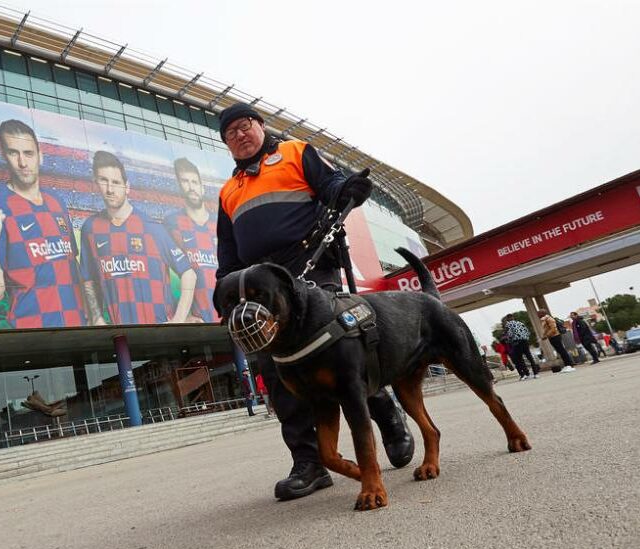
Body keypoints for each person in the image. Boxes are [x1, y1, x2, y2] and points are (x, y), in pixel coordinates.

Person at [215, 102, 414, 501]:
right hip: (265, 291)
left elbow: (332, 187)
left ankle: (388, 417)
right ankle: (309, 463)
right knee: (276, 371)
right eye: (230, 132)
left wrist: (349, 190)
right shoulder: (228, 192)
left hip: (312, 271)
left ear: (261, 126)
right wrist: (224, 290)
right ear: (227, 144)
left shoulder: (294, 152)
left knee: (344, 356)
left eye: (245, 125)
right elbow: (229, 253)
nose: (239, 134)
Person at [0, 120, 87, 328]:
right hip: (31, 330)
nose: (22, 162)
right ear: (3, 155)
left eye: (28, 153)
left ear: (40, 155)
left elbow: (75, 267)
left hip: (77, 324)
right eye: (13, 153)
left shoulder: (57, 202)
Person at [79, 151, 197, 325]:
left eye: (116, 182)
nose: (110, 189)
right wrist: (96, 317)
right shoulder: (90, 228)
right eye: (104, 181)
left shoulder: (151, 227)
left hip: (158, 332)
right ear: (96, 183)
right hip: (120, 333)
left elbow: (189, 273)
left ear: (127, 187)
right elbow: (88, 278)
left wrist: (178, 319)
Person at [163, 158, 218, 322]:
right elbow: (166, 275)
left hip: (226, 313)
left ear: (202, 187)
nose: (191, 187)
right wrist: (183, 314)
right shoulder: (172, 222)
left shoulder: (219, 223)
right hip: (197, 319)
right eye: (185, 182)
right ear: (179, 186)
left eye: (194, 182)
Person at [502, 314, 539, 379]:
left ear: (507, 319)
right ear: (513, 317)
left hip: (517, 342)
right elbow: (528, 332)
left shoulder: (508, 324)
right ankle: (536, 373)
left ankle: (527, 374)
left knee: (519, 359)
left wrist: (508, 340)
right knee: (529, 357)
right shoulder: (520, 323)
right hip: (525, 341)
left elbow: (510, 334)